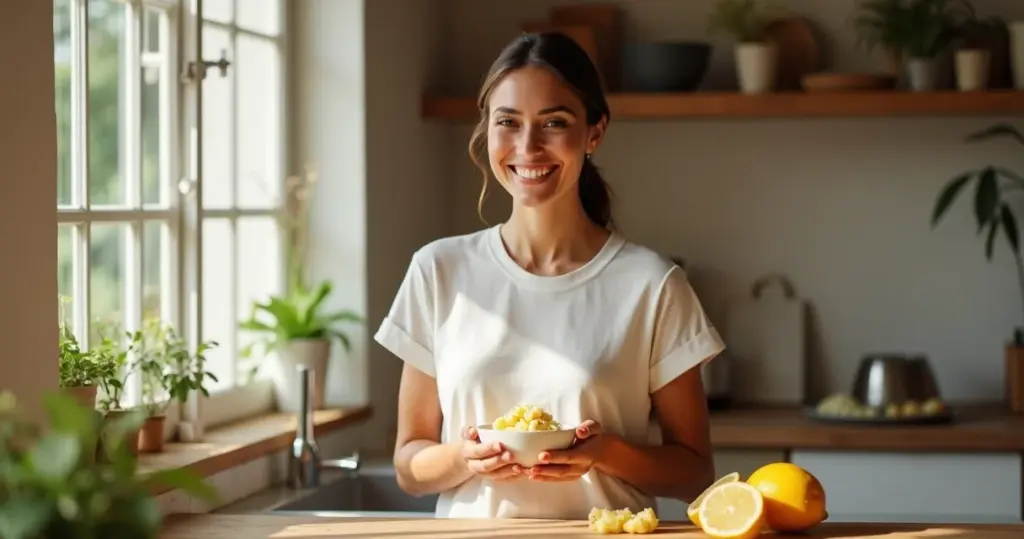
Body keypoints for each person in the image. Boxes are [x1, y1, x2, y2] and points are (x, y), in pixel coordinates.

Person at [374, 31, 725, 520]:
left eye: (554, 123)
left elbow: (694, 474)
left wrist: (603, 452)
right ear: (488, 131)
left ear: (594, 132)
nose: (528, 146)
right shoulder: (437, 271)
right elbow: (410, 466)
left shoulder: (654, 285)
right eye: (508, 123)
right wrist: (465, 457)